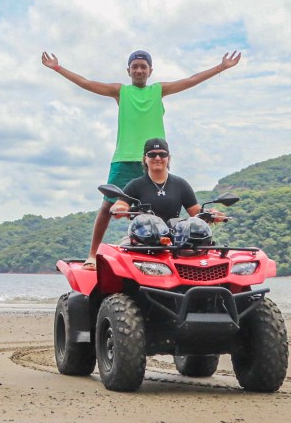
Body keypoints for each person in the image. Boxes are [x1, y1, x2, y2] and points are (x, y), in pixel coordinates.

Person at [41, 48, 240, 192]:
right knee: (108, 207)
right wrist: (58, 67)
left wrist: (221, 67)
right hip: (124, 159)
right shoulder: (121, 91)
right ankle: (93, 252)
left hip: (154, 158)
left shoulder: (158, 90)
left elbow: (190, 80)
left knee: (156, 203)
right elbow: (86, 83)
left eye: (143, 67)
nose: (139, 70)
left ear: (150, 71)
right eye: (134, 67)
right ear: (128, 70)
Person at [86, 137, 226, 268]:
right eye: (152, 154)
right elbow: (122, 203)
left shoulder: (181, 184)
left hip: (176, 239)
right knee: (120, 260)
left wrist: (211, 213)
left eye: (162, 154)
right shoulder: (135, 184)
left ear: (168, 158)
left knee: (206, 254)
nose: (157, 158)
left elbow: (196, 212)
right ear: (145, 159)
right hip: (143, 238)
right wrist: (119, 208)